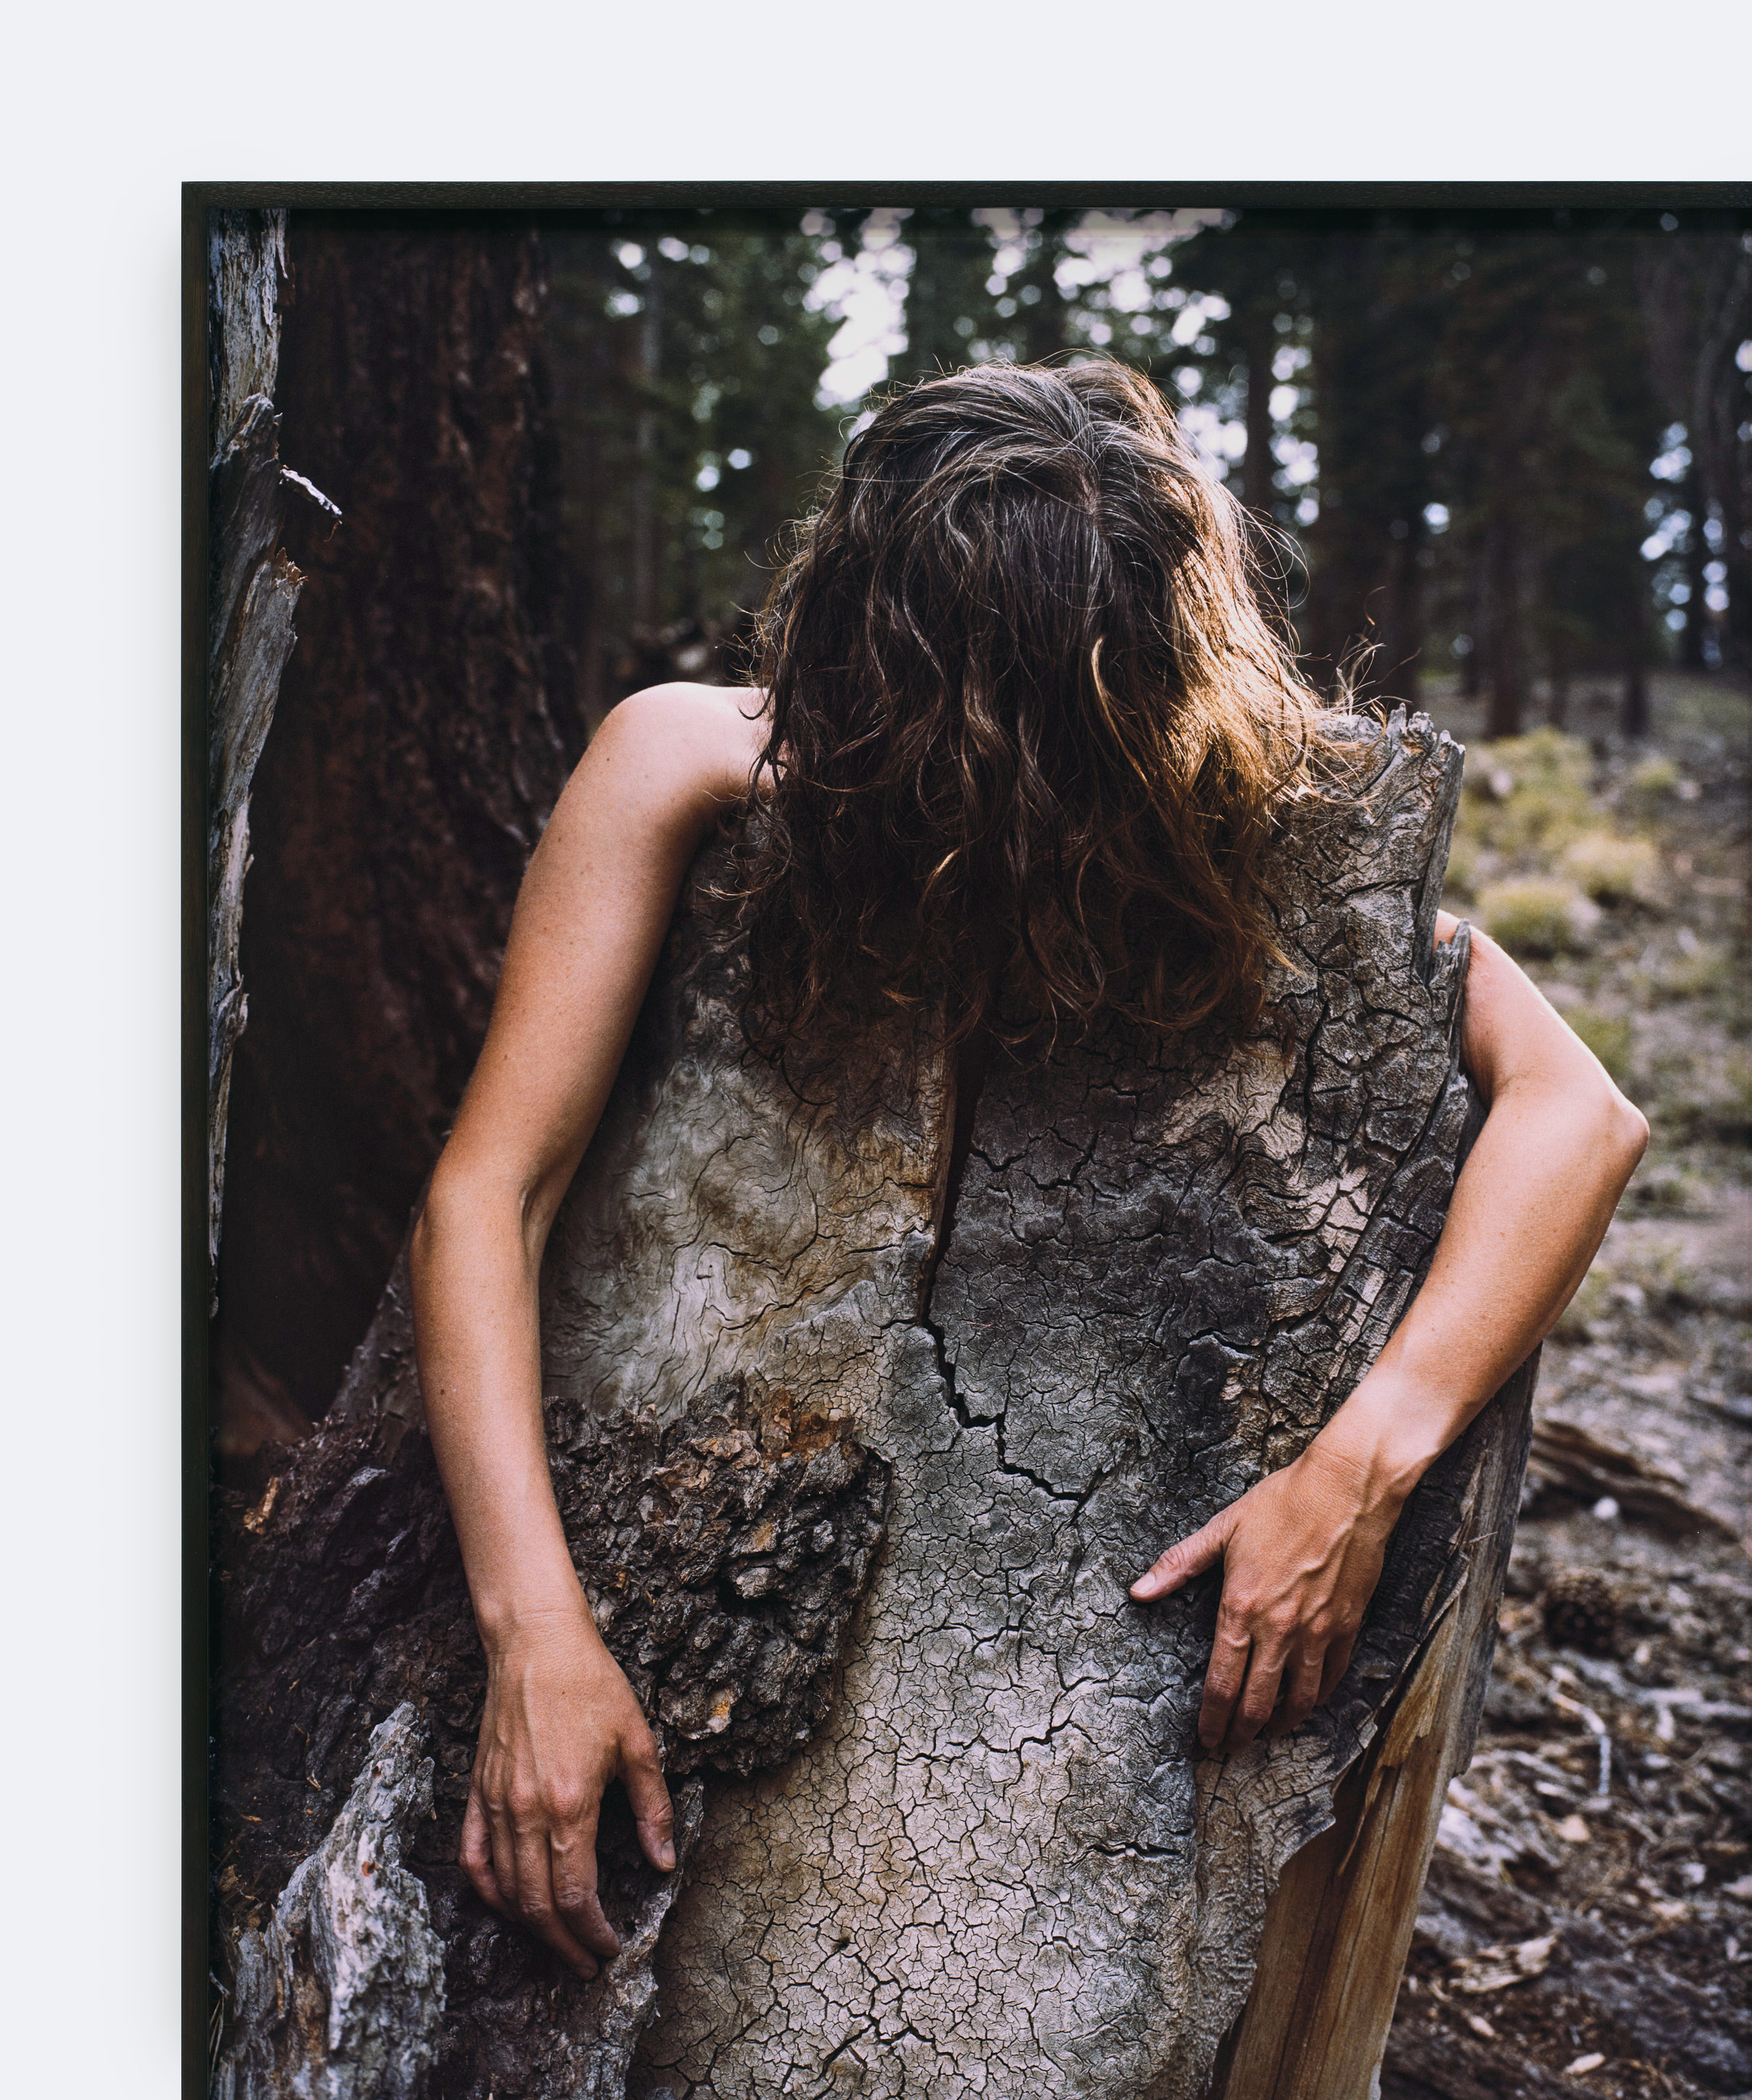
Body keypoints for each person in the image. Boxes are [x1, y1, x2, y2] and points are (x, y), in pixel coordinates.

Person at [410, 357, 1648, 1982]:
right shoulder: (691, 758)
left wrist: (1357, 1468)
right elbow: (483, 1199)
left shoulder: (1235, 791)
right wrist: (534, 1636)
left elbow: (1579, 1112)